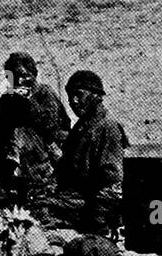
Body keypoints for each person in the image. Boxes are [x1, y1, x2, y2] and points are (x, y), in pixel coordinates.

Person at [44, 70, 128, 236]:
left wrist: (95, 224)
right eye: (70, 97)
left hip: (90, 206)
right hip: (73, 198)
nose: (73, 102)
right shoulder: (83, 125)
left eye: (79, 95)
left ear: (96, 96)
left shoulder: (107, 127)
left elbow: (112, 184)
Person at [0, 51, 71, 198]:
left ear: (32, 75)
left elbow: (51, 128)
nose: (18, 81)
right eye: (11, 76)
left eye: (23, 75)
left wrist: (28, 103)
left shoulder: (45, 94)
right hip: (10, 171)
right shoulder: (7, 100)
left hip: (41, 170)